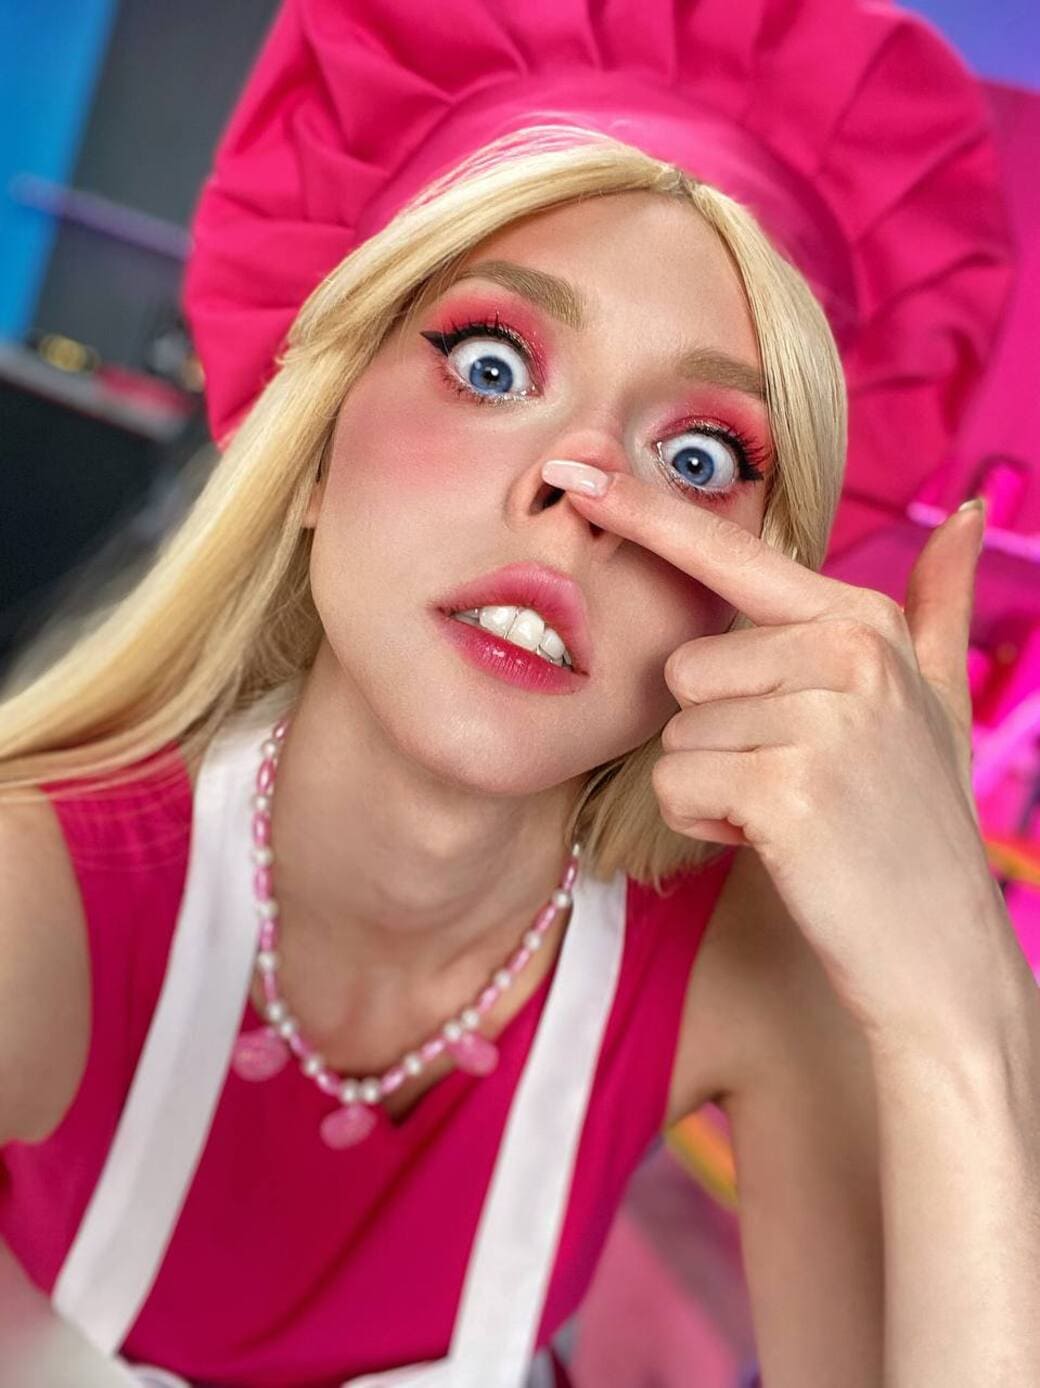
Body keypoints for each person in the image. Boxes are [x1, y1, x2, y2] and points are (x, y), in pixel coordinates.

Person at [0, 2, 1035, 1386]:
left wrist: (960, 1004)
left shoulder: (748, 959)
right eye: (492, 365)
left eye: (701, 458)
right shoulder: (39, 888)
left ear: (740, 595)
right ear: (312, 455)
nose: (577, 488)